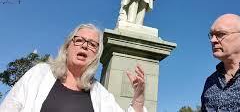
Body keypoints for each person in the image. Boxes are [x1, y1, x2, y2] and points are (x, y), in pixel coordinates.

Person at [0, 24, 147, 112]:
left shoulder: (100, 93)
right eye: (79, 40)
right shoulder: (40, 73)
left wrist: (139, 97)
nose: (84, 45)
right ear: (67, 47)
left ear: (96, 55)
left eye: (92, 44)